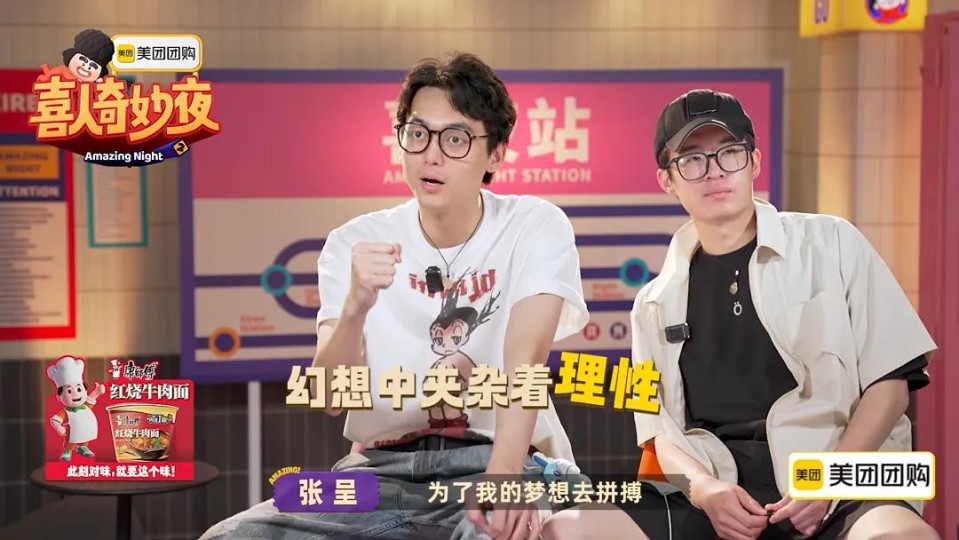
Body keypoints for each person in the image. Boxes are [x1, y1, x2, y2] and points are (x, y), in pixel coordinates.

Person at [199, 52, 589, 540]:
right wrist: (354, 308)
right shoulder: (353, 242)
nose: (431, 155)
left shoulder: (534, 225)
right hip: (377, 472)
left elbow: (525, 359)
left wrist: (506, 478)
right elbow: (328, 397)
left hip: (494, 460)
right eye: (417, 133)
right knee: (231, 537)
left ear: (496, 154)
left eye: (456, 139)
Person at [541, 89, 939, 540]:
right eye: (692, 160)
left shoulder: (833, 242)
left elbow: (891, 388)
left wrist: (829, 481)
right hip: (717, 495)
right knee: (565, 530)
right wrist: (706, 491)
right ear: (667, 180)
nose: (714, 171)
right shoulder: (652, 303)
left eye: (729, 152)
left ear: (754, 162)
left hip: (837, 480)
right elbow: (659, 435)